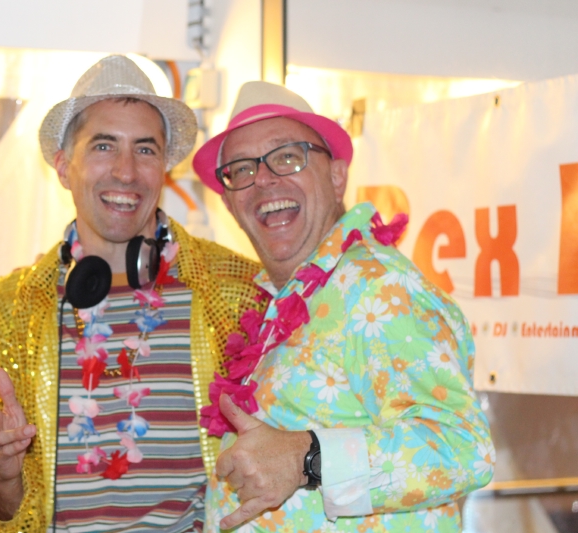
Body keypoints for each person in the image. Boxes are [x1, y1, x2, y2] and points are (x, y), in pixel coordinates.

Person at [0, 56, 264, 532]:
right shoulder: (7, 309)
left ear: (164, 168)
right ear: (64, 167)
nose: (126, 171)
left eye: (145, 150)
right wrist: (3, 474)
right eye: (104, 146)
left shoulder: (238, 290)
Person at [191, 81, 495, 532]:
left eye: (287, 157)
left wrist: (307, 458)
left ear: (336, 177)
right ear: (229, 203)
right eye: (242, 169)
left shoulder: (377, 287)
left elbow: (465, 450)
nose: (264, 179)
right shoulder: (287, 300)